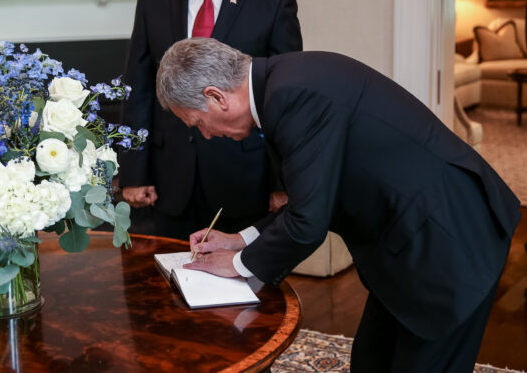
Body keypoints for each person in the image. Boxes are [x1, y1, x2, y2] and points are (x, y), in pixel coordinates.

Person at [156, 38, 521, 372]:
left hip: (450, 240)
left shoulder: (292, 97)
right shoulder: (281, 85)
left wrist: (236, 265)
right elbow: (312, 198)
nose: (205, 135)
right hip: (406, 239)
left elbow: (307, 224)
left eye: (198, 123)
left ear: (217, 97)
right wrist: (242, 239)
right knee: (370, 362)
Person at [118, 0, 303, 240]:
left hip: (244, 177)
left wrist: (282, 182)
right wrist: (133, 172)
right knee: (169, 281)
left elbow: (284, 98)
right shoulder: (152, 2)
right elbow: (138, 90)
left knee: (243, 287)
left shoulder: (273, 1)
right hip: (171, 179)